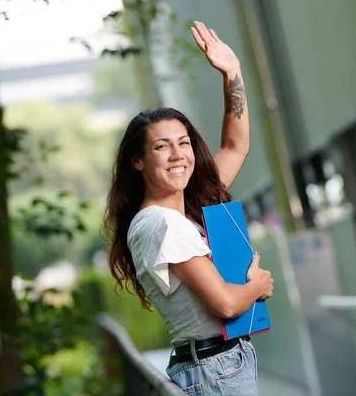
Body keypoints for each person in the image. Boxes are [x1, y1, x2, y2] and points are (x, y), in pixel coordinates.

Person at [103, 21, 274, 395]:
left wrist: (233, 72)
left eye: (184, 143)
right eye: (162, 146)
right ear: (138, 161)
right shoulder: (165, 225)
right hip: (215, 370)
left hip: (217, 365)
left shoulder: (184, 213)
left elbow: (234, 146)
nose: (178, 155)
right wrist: (257, 286)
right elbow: (227, 305)